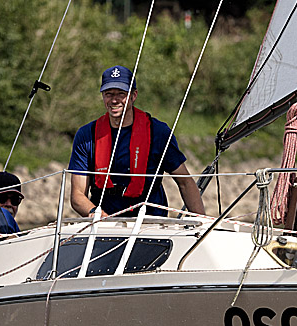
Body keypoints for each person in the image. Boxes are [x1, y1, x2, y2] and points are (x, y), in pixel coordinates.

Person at [69, 65, 204, 218]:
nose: (114, 100)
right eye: (109, 94)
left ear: (134, 95)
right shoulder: (86, 135)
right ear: (103, 96)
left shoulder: (158, 132)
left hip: (150, 222)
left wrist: (202, 223)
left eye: (121, 94)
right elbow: (77, 195)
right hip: (104, 224)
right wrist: (100, 218)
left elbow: (185, 182)